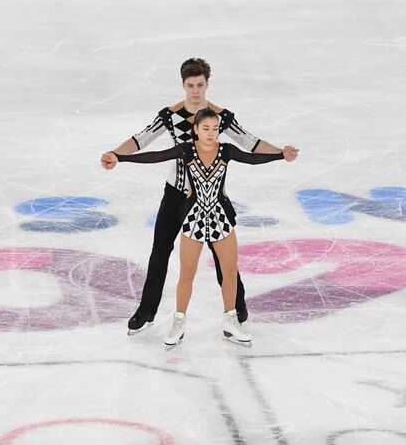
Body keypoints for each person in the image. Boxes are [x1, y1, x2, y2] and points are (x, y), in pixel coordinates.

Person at [101, 57, 299, 335]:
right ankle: (146, 312)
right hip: (175, 193)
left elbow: (249, 142)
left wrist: (280, 151)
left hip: (209, 197)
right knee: (160, 251)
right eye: (191, 85)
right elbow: (141, 141)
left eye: (201, 85)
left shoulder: (219, 118)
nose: (196, 91)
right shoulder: (169, 115)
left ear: (207, 84)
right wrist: (116, 155)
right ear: (183, 85)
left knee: (222, 253)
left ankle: (236, 308)